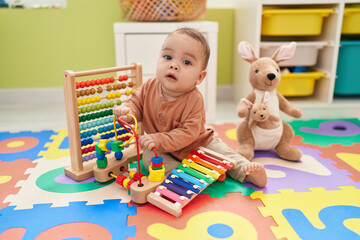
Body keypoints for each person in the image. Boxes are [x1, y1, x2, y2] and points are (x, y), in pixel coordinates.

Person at [113, 27, 267, 187]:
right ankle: (185, 176)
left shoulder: (195, 100)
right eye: (167, 57)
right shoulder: (149, 86)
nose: (174, 65)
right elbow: (135, 103)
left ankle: (246, 171)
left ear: (199, 77)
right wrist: (127, 112)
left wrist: (158, 138)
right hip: (161, 149)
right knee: (149, 159)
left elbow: (188, 134)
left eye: (186, 62)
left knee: (225, 154)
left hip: (199, 145)